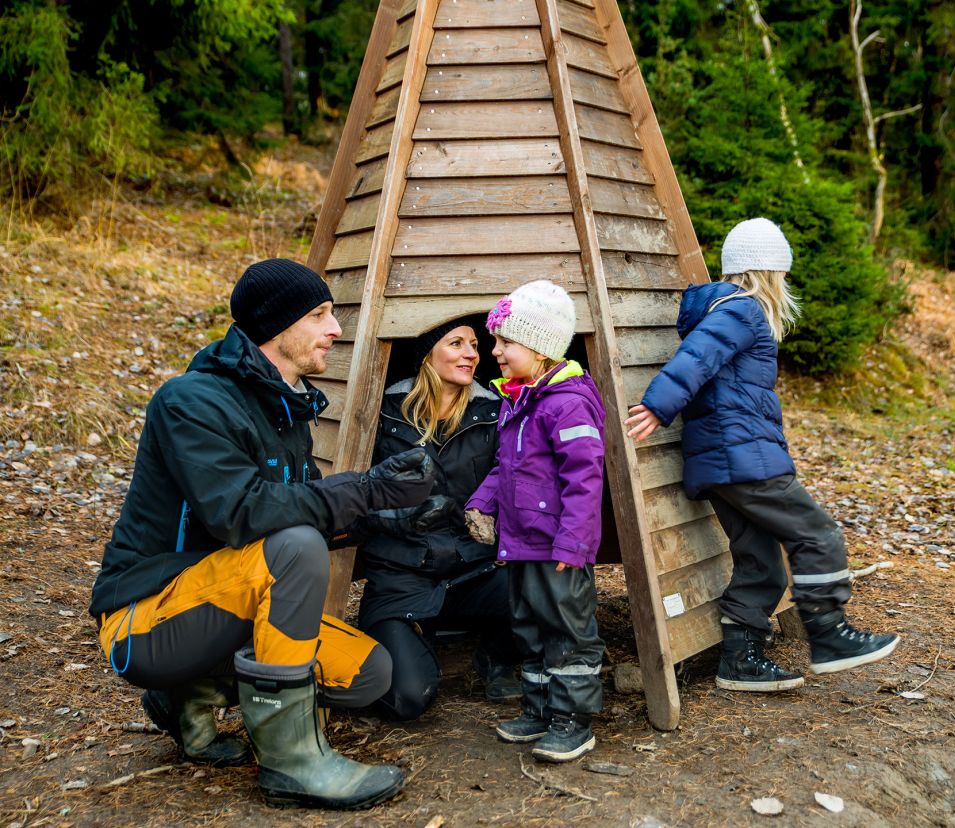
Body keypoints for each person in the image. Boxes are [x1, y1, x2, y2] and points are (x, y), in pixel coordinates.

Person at [89, 258, 439, 810]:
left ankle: (190, 696)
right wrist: (364, 488)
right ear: (278, 326)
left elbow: (300, 510)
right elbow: (241, 514)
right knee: (293, 547)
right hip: (147, 618)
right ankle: (292, 764)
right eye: (321, 315)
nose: (336, 329)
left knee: (370, 675)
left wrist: (389, 511)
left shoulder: (286, 411)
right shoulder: (191, 401)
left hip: (229, 600)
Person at [624, 218, 899, 693]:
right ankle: (830, 635)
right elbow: (697, 357)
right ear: (769, 273)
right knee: (818, 534)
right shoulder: (744, 311)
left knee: (761, 563)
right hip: (742, 458)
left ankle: (740, 659)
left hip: (722, 463)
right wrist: (657, 405)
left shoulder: (727, 309)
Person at [464, 279, 607, 763]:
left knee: (567, 630)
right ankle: (541, 706)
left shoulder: (566, 403)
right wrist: (482, 502)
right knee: (529, 626)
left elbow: (586, 479)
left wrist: (574, 544)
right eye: (497, 341)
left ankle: (574, 720)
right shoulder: (517, 400)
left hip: (556, 547)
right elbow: (506, 467)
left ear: (541, 348)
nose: (495, 352)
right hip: (522, 543)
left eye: (506, 342)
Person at [354, 317, 521, 720]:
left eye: (475, 345)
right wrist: (406, 517)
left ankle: (496, 656)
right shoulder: (383, 412)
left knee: (539, 586)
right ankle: (412, 638)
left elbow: (511, 483)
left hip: (471, 570)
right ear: (427, 353)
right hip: (401, 575)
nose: (471, 354)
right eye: (456, 343)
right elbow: (356, 494)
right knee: (407, 698)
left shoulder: (493, 412)